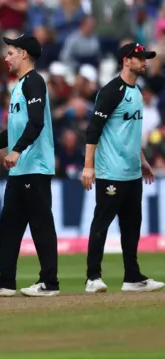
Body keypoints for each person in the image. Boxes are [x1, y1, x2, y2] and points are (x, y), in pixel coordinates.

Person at [0, 34, 60, 297]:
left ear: (24, 54)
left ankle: (49, 283)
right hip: (21, 168)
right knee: (9, 225)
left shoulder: (35, 82)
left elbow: (36, 123)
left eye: (10, 52)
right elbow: (16, 129)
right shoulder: (19, 85)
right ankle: (6, 280)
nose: (6, 57)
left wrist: (17, 150)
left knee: (41, 224)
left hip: (35, 166)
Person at [81, 42, 164, 293]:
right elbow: (93, 129)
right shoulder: (110, 92)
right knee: (102, 223)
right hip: (110, 172)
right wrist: (88, 167)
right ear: (126, 61)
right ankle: (93, 277)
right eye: (140, 58)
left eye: (145, 58)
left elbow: (131, 133)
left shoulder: (137, 92)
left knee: (131, 226)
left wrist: (143, 161)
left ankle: (132, 276)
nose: (144, 62)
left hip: (132, 172)